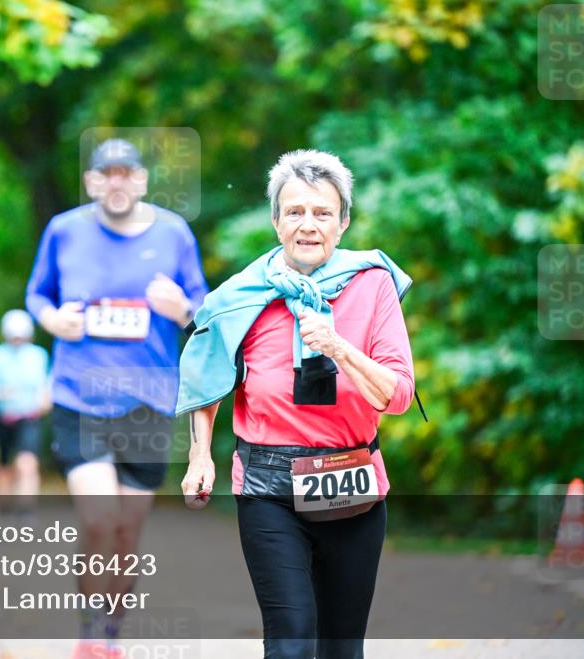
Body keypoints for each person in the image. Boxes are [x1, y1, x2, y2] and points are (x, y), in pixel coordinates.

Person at [178, 150, 416, 659]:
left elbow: (397, 396)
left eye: (322, 213)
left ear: (343, 222)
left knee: (341, 648)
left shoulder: (372, 285)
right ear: (275, 220)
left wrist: (337, 347)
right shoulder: (238, 297)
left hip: (352, 480)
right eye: (295, 212)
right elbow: (207, 378)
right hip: (268, 487)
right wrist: (200, 455)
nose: (308, 225)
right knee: (290, 642)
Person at [26, 138, 208, 656]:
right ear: (91, 182)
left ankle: (111, 629)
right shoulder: (63, 230)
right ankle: (88, 630)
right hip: (78, 395)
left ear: (143, 181)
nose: (117, 182)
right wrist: (51, 319)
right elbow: (38, 293)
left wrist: (179, 309)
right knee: (99, 519)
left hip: (149, 399)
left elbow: (202, 308)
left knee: (128, 530)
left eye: (127, 173)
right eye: (106, 174)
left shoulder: (174, 234)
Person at [0, 309, 51, 512]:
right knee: (4, 465)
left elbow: (46, 384)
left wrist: (45, 398)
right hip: (4, 417)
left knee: (28, 463)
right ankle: (4, 506)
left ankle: (26, 509)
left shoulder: (38, 356)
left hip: (30, 417)